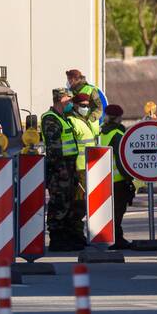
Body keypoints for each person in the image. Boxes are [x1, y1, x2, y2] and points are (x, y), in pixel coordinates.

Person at [40, 89, 85, 250]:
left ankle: (68, 237)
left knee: (69, 203)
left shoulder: (63, 117)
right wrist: (61, 168)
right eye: (68, 99)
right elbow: (54, 147)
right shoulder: (50, 118)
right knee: (59, 203)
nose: (70, 102)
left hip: (69, 166)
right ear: (60, 99)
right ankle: (57, 240)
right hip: (60, 168)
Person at [100, 104, 135, 250]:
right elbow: (122, 160)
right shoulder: (118, 135)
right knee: (118, 211)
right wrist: (129, 178)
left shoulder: (101, 132)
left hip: (101, 178)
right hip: (117, 180)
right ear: (120, 117)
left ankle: (106, 237)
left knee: (106, 211)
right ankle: (117, 239)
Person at [68, 92, 100, 242]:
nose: (85, 108)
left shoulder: (90, 121)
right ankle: (77, 235)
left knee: (89, 203)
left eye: (87, 106)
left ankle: (86, 234)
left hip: (92, 167)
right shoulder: (71, 121)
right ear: (75, 105)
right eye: (82, 106)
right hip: (79, 168)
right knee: (79, 204)